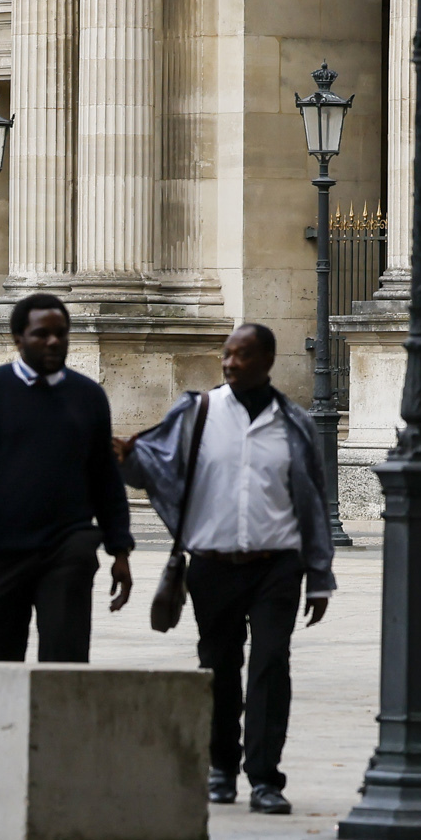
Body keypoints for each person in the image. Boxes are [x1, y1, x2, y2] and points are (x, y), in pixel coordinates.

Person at [123, 324, 334, 815]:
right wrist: (126, 458)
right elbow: (150, 467)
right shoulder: (197, 413)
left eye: (241, 355)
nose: (230, 363)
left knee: (270, 665)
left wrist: (319, 576)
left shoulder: (294, 423)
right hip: (212, 565)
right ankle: (220, 766)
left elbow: (312, 504)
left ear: (267, 360)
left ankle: (264, 778)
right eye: (226, 354)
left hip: (277, 565)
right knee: (218, 668)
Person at [0, 293, 135, 662]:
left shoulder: (88, 396)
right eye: (41, 334)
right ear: (18, 339)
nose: (53, 341)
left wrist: (120, 549)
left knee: (66, 662)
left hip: (67, 548)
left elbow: (105, 479)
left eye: (61, 333)